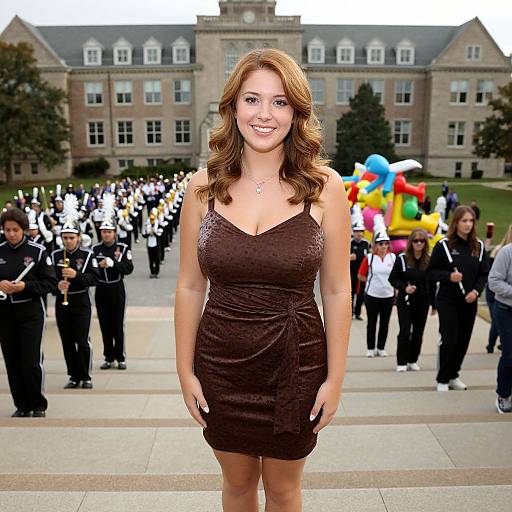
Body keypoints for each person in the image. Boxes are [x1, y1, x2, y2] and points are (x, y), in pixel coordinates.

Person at [174, 48, 351, 511]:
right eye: (252, 99)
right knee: (236, 486)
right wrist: (184, 370)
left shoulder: (325, 187)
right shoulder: (202, 187)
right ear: (232, 107)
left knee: (284, 489)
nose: (265, 114)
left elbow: (336, 290)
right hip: (220, 364)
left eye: (279, 102)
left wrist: (335, 378)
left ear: (296, 111)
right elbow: (190, 286)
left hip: (296, 364)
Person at [0, 208, 57, 417]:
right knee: (12, 360)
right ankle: (21, 405)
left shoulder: (37, 251)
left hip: (31, 313)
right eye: (7, 230)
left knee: (30, 360)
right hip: (4, 314)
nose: (11, 234)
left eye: (15, 230)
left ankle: (37, 404)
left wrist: (26, 286)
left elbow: (50, 283)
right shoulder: (0, 250)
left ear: (24, 229)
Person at [427, 205, 489, 392]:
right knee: (450, 338)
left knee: (463, 340)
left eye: (471, 221)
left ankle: (454, 374)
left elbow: (483, 274)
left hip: (469, 301)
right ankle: (443, 378)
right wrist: (448, 277)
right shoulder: (444, 246)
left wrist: (476, 292)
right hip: (447, 300)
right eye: (464, 221)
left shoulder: (478, 246)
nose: (468, 225)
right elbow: (431, 272)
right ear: (456, 222)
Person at [52, 219, 99, 389]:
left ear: (78, 238)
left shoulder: (87, 255)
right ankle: (74, 375)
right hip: (62, 302)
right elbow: (48, 280)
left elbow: (94, 278)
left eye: (71, 237)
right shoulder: (55, 255)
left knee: (82, 340)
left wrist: (76, 275)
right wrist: (57, 286)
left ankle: (86, 375)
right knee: (67, 341)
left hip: (81, 302)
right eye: (65, 238)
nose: (68, 241)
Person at [389, 229, 435, 372]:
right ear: (411, 242)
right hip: (406, 302)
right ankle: (401, 361)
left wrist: (434, 304)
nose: (419, 243)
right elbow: (393, 279)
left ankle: (413, 359)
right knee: (404, 331)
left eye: (422, 241)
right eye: (416, 241)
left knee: (418, 333)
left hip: (423, 303)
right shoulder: (402, 259)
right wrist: (404, 288)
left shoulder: (429, 260)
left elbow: (432, 283)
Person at [92, 215, 134, 370]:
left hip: (117, 289)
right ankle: (108, 356)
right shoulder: (95, 249)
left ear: (114, 233)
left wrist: (112, 264)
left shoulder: (122, 248)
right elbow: (91, 269)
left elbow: (129, 268)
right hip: (101, 289)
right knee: (105, 325)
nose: (106, 234)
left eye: (109, 232)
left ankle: (120, 357)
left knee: (117, 324)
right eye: (103, 231)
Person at [358, 231, 396, 357]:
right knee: (372, 323)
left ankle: (381, 348)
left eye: (386, 243)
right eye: (380, 243)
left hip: (388, 296)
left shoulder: (393, 258)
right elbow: (360, 276)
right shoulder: (370, 258)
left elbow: (396, 276)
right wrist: (373, 281)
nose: (383, 246)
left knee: (385, 323)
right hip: (372, 295)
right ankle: (370, 348)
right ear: (376, 245)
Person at [488, 240, 512, 413]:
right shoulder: (506, 253)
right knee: (510, 353)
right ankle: (503, 395)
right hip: (505, 309)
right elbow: (494, 281)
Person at [486, 226, 512, 353]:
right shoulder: (501, 250)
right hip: (494, 294)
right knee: (495, 322)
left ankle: (501, 343)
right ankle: (490, 345)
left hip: (503, 291)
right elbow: (493, 278)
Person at [350, 223, 370, 320]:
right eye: (357, 231)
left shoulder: (366, 243)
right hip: (352, 272)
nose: (359, 234)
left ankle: (358, 313)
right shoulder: (349, 243)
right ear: (353, 233)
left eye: (361, 232)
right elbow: (341, 257)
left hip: (362, 273)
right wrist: (349, 257)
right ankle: (350, 312)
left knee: (360, 293)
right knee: (351, 293)